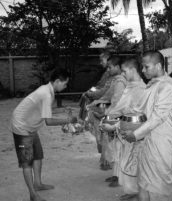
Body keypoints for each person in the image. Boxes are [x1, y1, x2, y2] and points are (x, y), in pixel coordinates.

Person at [10, 68, 77, 201]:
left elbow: (46, 112)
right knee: (27, 162)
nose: (66, 86)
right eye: (65, 84)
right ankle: (33, 195)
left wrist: (62, 112)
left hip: (30, 125)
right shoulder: (46, 93)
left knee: (38, 155)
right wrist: (69, 120)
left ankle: (38, 184)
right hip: (21, 126)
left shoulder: (48, 90)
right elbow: (49, 121)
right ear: (57, 81)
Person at [121, 51, 172, 201]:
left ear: (158, 66)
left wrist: (135, 135)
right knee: (143, 182)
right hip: (146, 139)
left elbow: (157, 118)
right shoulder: (152, 85)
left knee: (159, 185)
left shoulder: (167, 86)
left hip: (160, 141)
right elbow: (138, 110)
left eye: (146, 67)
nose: (143, 70)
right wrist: (118, 124)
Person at [100, 57, 146, 200]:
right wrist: (109, 116)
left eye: (125, 71)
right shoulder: (131, 86)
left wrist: (113, 125)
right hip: (125, 128)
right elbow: (121, 107)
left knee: (133, 163)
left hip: (135, 132)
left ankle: (137, 192)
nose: (123, 74)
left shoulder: (140, 89)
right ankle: (132, 190)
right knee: (125, 160)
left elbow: (134, 114)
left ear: (133, 70)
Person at [88, 55, 127, 181]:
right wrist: (97, 102)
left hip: (117, 116)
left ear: (117, 67)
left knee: (116, 146)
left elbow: (116, 102)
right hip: (113, 113)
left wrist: (105, 113)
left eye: (110, 67)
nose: (108, 69)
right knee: (113, 146)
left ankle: (119, 176)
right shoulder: (115, 80)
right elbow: (107, 96)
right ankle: (115, 174)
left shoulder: (120, 81)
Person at [79, 51, 111, 120]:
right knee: (85, 95)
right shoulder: (106, 72)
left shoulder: (111, 73)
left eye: (102, 60)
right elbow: (99, 85)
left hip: (105, 97)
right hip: (101, 92)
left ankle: (85, 119)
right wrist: (91, 90)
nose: (100, 63)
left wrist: (90, 93)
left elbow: (104, 90)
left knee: (86, 96)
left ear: (108, 59)